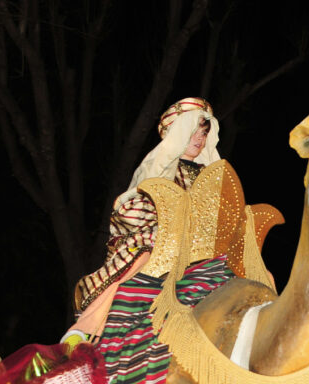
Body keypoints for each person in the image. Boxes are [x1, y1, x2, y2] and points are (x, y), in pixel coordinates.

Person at [68, 98, 221, 341]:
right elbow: (130, 210)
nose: (199, 139)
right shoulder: (160, 166)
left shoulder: (212, 175)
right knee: (144, 255)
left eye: (204, 132)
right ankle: (85, 331)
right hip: (163, 242)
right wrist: (169, 221)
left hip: (203, 246)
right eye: (193, 131)